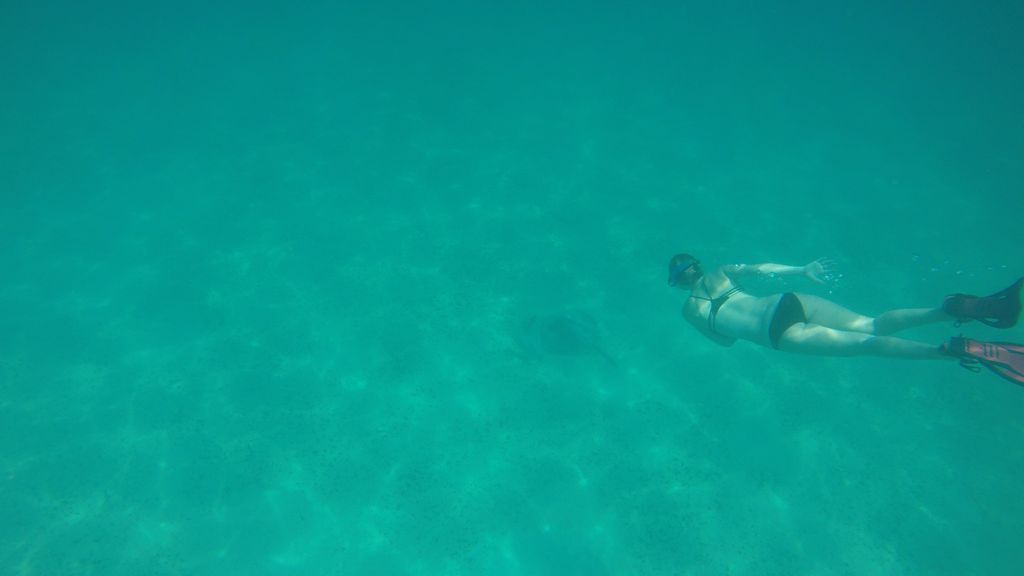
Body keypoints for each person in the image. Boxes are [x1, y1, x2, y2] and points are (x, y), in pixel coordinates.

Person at [667, 253, 1024, 385]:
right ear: (698, 266)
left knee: (868, 345)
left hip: (777, 333)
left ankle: (950, 350)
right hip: (789, 300)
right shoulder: (720, 271)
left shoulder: (689, 311)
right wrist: (802, 269)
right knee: (872, 324)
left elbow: (726, 342)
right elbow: (761, 269)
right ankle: (951, 309)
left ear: (677, 283)